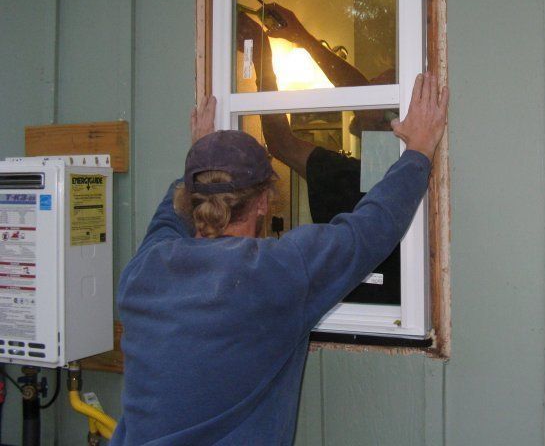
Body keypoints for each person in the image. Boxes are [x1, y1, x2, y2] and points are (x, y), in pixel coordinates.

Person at [111, 72, 448, 445]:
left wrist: (203, 157)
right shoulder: (273, 273)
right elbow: (369, 230)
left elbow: (168, 217)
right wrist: (418, 152)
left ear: (189, 198)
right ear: (263, 202)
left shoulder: (143, 269)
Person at [238, 3, 401, 303]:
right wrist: (302, 37)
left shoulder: (348, 178)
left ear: (388, 119)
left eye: (374, 88)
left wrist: (262, 56)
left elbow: (280, 141)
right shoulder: (395, 179)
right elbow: (363, 96)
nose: (358, 96)